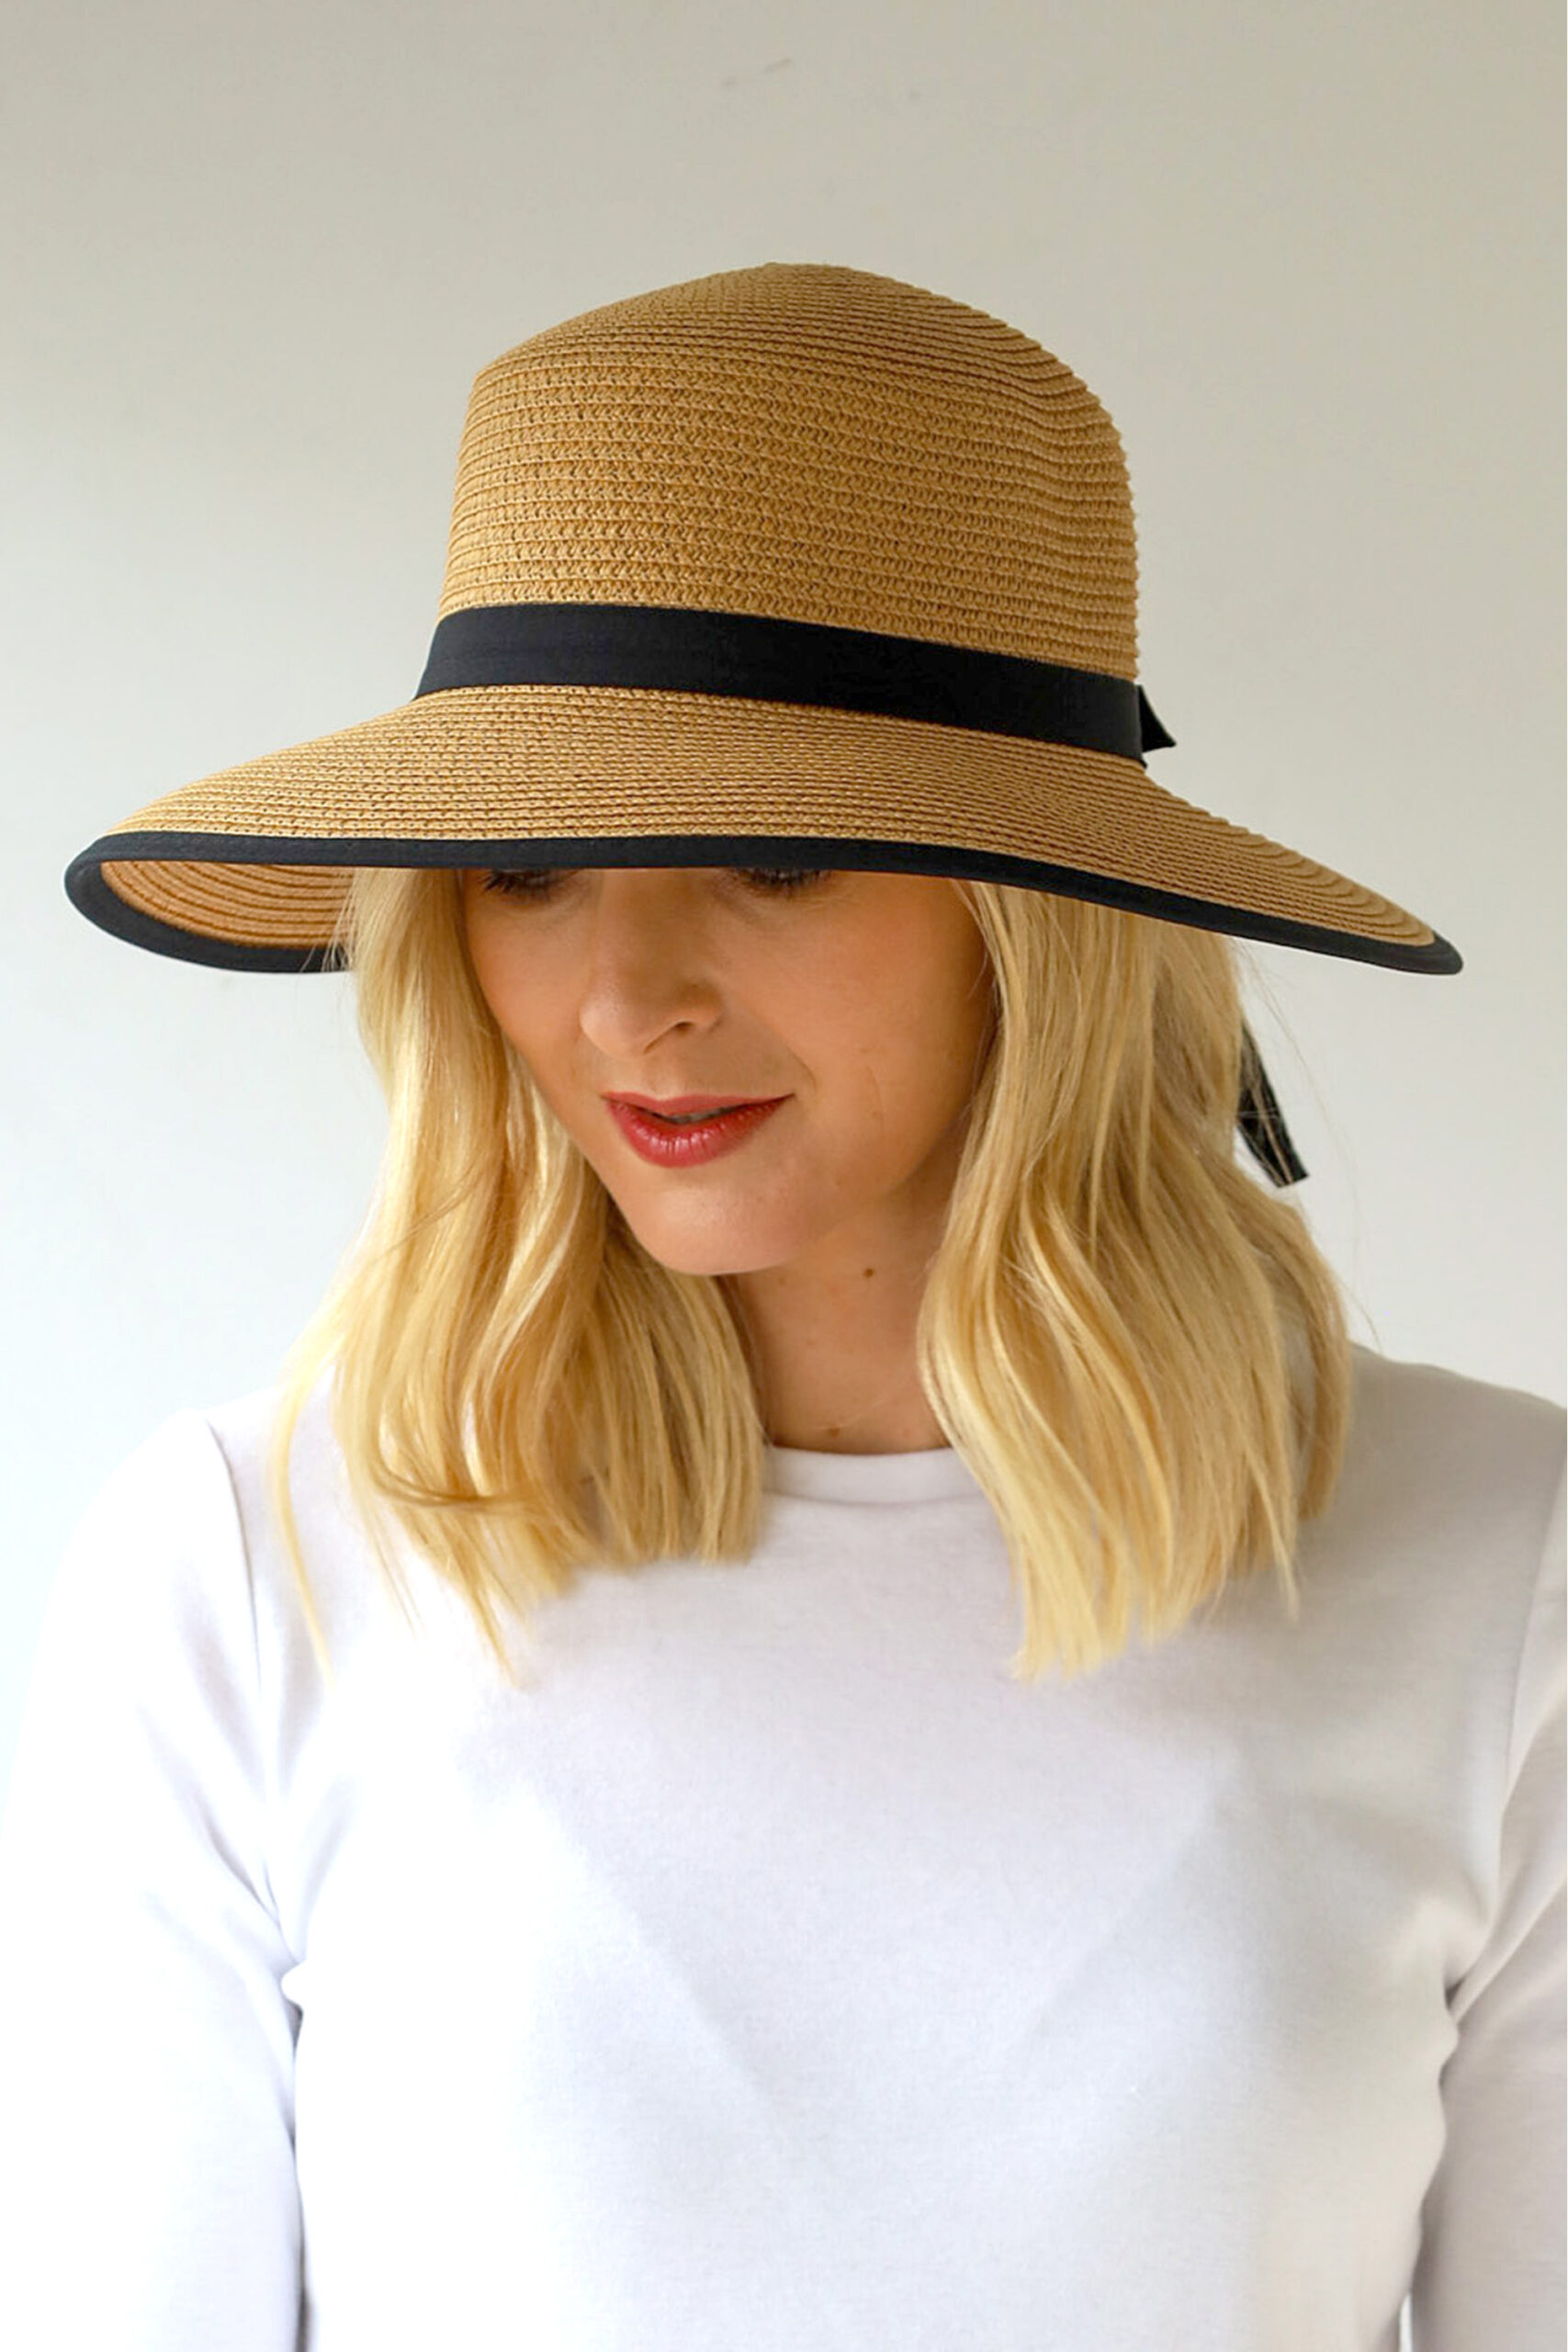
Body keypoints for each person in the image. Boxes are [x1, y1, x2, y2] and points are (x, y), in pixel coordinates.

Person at [1, 262, 1561, 2351]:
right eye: (528, 872)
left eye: (768, 856)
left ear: (1038, 913)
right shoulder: (249, 1569)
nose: (621, 999)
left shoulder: (1501, 1567)